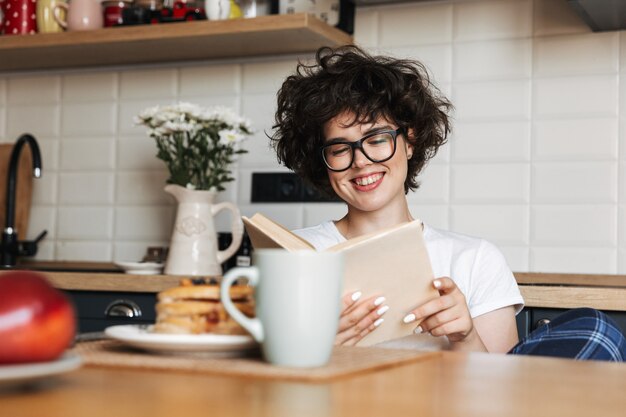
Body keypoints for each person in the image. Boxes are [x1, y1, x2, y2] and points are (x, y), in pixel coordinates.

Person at [270, 45, 626, 361]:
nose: (360, 160)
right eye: (339, 147)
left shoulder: (474, 259)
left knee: (594, 330)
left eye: (376, 139)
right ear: (323, 161)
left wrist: (464, 336)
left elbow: (504, 395)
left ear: (409, 141)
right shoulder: (293, 255)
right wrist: (317, 351)